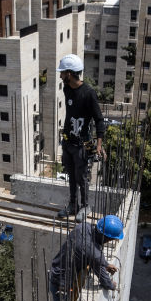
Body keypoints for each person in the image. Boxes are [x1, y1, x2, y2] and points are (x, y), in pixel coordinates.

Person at [48, 214, 124, 301]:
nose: (110, 242)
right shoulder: (93, 253)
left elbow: (91, 254)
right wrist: (111, 285)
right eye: (110, 239)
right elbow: (103, 277)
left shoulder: (83, 227)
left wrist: (104, 263)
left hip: (58, 268)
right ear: (105, 237)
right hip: (62, 281)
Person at [56, 53, 104, 221]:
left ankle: (85, 206)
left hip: (83, 145)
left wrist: (98, 145)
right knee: (71, 175)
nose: (60, 75)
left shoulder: (89, 93)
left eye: (62, 72)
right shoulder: (67, 89)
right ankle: (73, 205)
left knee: (81, 177)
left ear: (69, 73)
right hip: (68, 141)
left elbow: (99, 120)